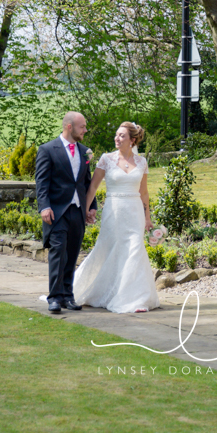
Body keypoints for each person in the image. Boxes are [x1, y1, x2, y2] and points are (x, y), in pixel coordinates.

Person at [71, 121, 160, 314]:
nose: (116, 138)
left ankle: (135, 298)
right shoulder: (106, 159)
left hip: (134, 210)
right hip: (114, 211)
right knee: (109, 249)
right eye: (116, 135)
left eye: (122, 136)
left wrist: (147, 217)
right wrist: (85, 210)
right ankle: (100, 290)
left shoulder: (142, 162)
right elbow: (93, 187)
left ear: (133, 140)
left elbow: (144, 193)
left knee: (135, 249)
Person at [36, 111, 97, 314]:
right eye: (82, 126)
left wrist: (92, 207)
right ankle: (54, 297)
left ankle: (67, 296)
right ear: (69, 126)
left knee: (72, 253)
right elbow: (42, 182)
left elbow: (87, 182)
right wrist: (44, 206)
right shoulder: (47, 150)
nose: (85, 130)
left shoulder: (84, 151)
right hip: (56, 211)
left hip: (78, 210)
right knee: (58, 252)